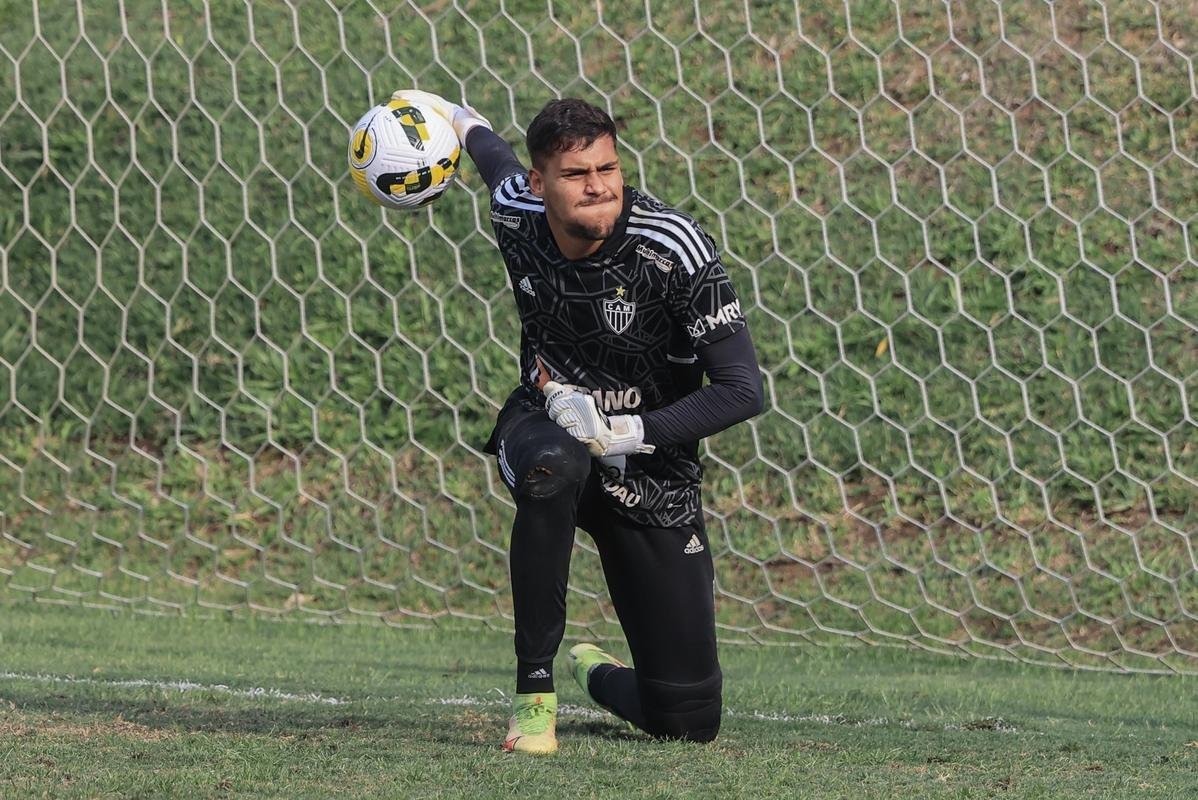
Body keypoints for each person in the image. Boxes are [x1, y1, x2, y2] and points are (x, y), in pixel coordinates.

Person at [395, 90, 763, 754]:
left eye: (608, 169)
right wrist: (440, 109)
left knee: (688, 719)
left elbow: (742, 390)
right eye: (576, 174)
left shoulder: (672, 248)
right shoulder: (517, 211)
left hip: (652, 470)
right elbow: (491, 156)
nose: (599, 188)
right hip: (547, 429)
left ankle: (596, 673)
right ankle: (534, 703)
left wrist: (623, 432)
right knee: (551, 466)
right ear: (541, 185)